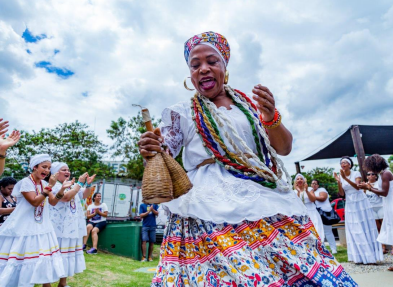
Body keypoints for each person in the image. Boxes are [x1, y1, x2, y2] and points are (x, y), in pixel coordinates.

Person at [139, 31, 357, 286]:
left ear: (225, 67)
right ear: (189, 75)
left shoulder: (249, 107)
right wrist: (151, 150)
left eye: (212, 61)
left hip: (261, 195)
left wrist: (270, 117)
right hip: (206, 206)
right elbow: (163, 156)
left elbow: (284, 148)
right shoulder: (182, 112)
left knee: (290, 265)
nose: (203, 69)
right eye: (195, 65)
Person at [0, 154, 75, 286]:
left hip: (42, 227)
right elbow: (35, 202)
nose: (46, 171)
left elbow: (52, 202)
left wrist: (62, 189)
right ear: (34, 167)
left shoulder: (44, 184)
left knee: (43, 261)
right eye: (44, 167)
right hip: (24, 228)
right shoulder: (25, 183)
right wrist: (49, 187)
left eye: (49, 168)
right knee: (22, 262)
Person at [49, 162, 96, 287]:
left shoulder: (72, 185)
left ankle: (62, 283)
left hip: (71, 226)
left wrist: (88, 184)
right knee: (53, 255)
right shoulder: (54, 186)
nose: (67, 172)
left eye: (68, 169)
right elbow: (65, 198)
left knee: (66, 255)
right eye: (63, 169)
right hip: (58, 227)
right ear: (56, 173)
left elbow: (84, 195)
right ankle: (46, 284)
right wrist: (79, 183)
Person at [334, 156, 382, 264]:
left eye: (345, 162)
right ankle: (359, 257)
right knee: (354, 227)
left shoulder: (356, 174)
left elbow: (357, 187)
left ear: (350, 165)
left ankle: (371, 256)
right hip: (350, 203)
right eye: (342, 163)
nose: (343, 164)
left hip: (360, 201)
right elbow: (342, 194)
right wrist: (338, 181)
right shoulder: (341, 177)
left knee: (364, 226)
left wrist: (345, 179)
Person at [364, 171, 389, 254]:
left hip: (381, 206)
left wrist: (371, 187)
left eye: (372, 174)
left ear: (376, 176)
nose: (370, 176)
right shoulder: (364, 185)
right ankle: (383, 246)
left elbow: (381, 194)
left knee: (385, 226)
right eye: (368, 174)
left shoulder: (379, 183)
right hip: (371, 208)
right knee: (377, 228)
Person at [293, 174, 325, 240]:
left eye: (301, 179)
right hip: (302, 214)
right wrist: (298, 192)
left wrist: (306, 190)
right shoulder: (294, 192)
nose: (299, 180)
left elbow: (313, 199)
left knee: (316, 230)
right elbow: (297, 203)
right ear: (295, 181)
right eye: (298, 179)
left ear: (304, 181)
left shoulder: (310, 189)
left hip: (312, 212)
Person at [311, 179, 338, 254]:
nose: (314, 185)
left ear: (318, 185)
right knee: (319, 232)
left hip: (325, 213)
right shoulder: (311, 191)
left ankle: (333, 248)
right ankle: (323, 248)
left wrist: (312, 196)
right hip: (317, 213)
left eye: (315, 183)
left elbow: (323, 198)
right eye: (312, 184)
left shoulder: (321, 190)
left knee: (328, 231)